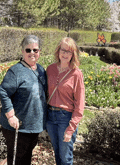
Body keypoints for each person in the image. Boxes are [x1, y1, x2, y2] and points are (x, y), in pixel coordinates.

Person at [0, 35, 48, 165]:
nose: (32, 53)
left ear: (39, 52)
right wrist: (10, 115)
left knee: (25, 158)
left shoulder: (41, 70)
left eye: (35, 50)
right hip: (18, 127)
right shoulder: (16, 71)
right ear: (22, 51)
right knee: (17, 160)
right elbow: (3, 91)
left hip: (33, 126)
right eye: (28, 50)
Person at [46, 37, 85, 165]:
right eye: (63, 50)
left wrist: (71, 127)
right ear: (58, 51)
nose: (65, 54)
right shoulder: (50, 69)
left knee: (65, 158)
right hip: (51, 117)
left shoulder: (76, 73)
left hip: (65, 118)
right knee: (57, 154)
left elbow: (80, 104)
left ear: (73, 54)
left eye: (69, 51)